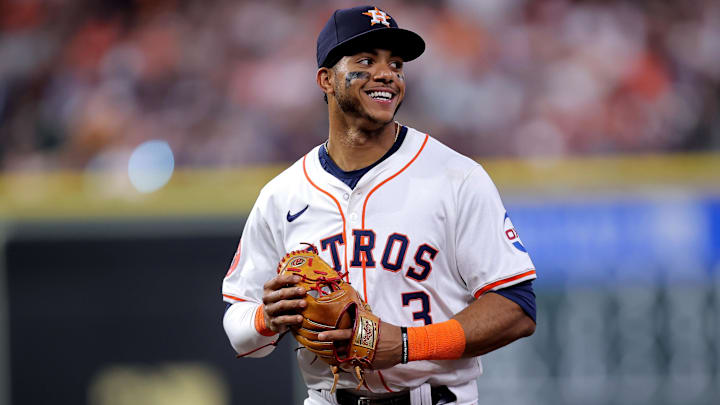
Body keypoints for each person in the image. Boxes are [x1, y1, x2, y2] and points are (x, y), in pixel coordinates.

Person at [222, 5, 537, 405]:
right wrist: (266, 319)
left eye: (396, 64)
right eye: (366, 61)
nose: (387, 73)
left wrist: (406, 344)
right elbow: (238, 321)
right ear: (326, 80)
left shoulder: (457, 176)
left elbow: (516, 307)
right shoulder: (282, 195)